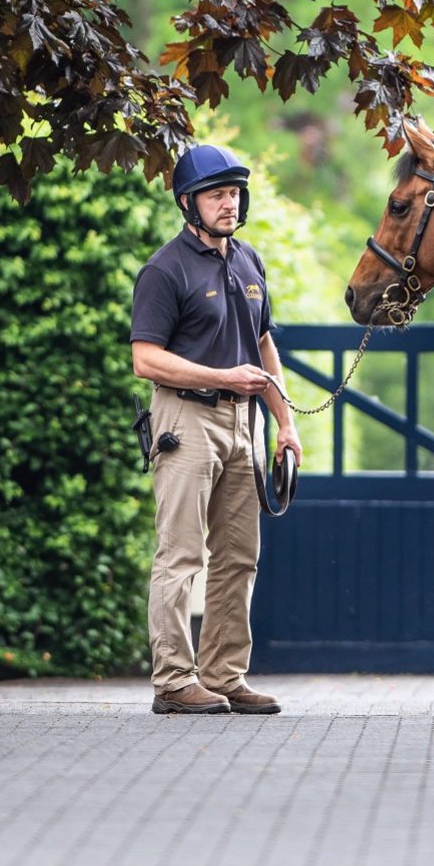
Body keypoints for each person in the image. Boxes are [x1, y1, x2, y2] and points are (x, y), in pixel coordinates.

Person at [130, 145, 302, 715]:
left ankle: (225, 675)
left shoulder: (247, 260)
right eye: (216, 195)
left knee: (238, 555)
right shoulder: (165, 269)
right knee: (180, 554)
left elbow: (264, 344)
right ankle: (174, 682)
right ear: (188, 203)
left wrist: (285, 423)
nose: (228, 204)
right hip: (184, 416)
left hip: (242, 421)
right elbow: (146, 360)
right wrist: (221, 375)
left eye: (233, 194)